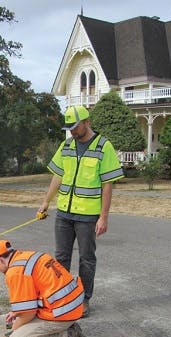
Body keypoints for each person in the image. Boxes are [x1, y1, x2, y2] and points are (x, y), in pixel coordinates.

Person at [38, 105, 124, 318]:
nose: (72, 132)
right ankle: (62, 296)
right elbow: (57, 176)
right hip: (64, 213)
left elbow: (107, 184)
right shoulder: (66, 145)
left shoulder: (104, 147)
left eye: (75, 127)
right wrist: (46, 202)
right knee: (60, 258)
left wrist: (103, 217)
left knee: (86, 258)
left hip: (87, 215)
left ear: (87, 122)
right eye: (69, 128)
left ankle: (83, 299)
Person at [0, 239, 88, 337]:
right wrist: (17, 313)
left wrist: (15, 329)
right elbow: (37, 293)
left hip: (61, 314)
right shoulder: (30, 256)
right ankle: (68, 328)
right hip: (72, 307)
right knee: (20, 321)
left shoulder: (14, 272)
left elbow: (29, 314)